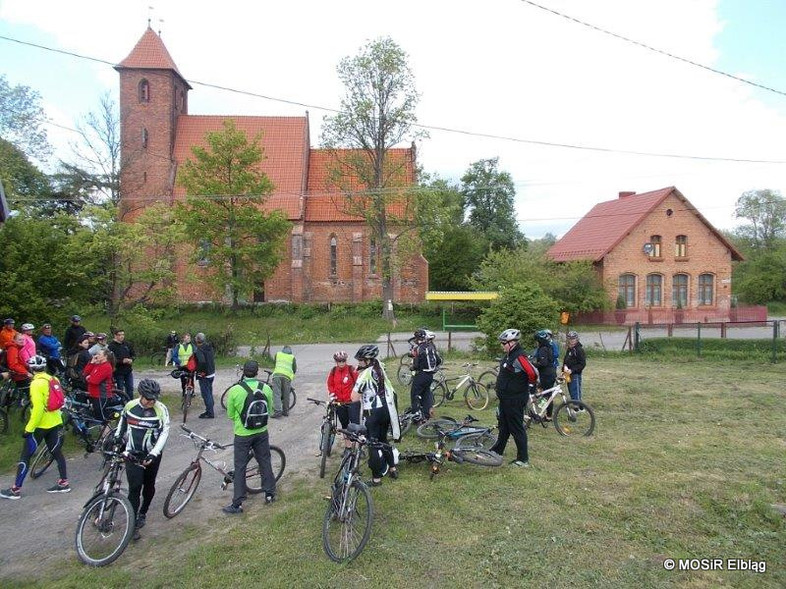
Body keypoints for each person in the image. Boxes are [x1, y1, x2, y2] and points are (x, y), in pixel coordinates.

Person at [0, 355, 71, 499]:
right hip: (55, 422)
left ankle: (15, 490)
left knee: (25, 456)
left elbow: (38, 408)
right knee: (57, 452)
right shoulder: (53, 379)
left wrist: (29, 428)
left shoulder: (36, 383)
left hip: (40, 426)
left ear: (31, 368)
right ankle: (64, 483)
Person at [114, 379, 170, 538]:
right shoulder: (130, 406)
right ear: (140, 395)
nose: (152, 401)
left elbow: (165, 432)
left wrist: (154, 453)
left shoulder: (161, 410)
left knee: (149, 486)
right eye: (148, 398)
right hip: (133, 453)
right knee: (135, 488)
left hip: (152, 454)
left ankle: (143, 512)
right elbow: (122, 423)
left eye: (154, 398)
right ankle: (132, 526)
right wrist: (118, 438)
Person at [223, 360, 276, 513]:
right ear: (257, 372)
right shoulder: (265, 388)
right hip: (261, 432)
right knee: (265, 461)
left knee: (240, 467)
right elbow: (270, 411)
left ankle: (238, 503)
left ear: (243, 372)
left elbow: (230, 415)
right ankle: (269, 494)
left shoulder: (235, 390)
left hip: (242, 434)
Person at [488, 329, 538, 468]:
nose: (502, 345)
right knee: (504, 426)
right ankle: (498, 450)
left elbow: (533, 372)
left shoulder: (519, 356)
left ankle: (523, 459)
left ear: (512, 343)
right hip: (506, 398)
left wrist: (531, 387)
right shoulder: (510, 355)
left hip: (515, 399)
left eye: (504, 343)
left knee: (517, 428)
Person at [350, 344, 399, 486]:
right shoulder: (379, 367)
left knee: (372, 444)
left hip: (373, 413)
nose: (358, 362)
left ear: (367, 360)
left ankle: (376, 479)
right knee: (384, 440)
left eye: (360, 360)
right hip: (386, 410)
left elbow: (354, 397)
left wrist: (359, 377)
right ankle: (392, 468)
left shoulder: (365, 375)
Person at [326, 351, 360, 452]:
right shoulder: (333, 371)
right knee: (344, 426)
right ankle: (348, 447)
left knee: (355, 426)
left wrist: (356, 396)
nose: (341, 363)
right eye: (339, 361)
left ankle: (357, 448)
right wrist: (332, 395)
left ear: (346, 360)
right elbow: (330, 384)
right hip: (340, 403)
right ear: (336, 361)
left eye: (343, 361)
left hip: (352, 402)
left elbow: (358, 383)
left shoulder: (351, 369)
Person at [408, 328, 441, 422]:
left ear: (417, 338)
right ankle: (426, 416)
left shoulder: (419, 348)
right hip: (430, 375)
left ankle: (416, 417)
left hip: (421, 375)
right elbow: (438, 360)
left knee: (415, 394)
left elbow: (416, 365)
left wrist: (412, 368)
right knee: (426, 394)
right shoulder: (430, 346)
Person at [83, 348, 117, 419]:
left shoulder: (106, 366)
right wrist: (92, 362)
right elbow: (85, 373)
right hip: (94, 394)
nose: (96, 356)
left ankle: (107, 429)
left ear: (105, 357)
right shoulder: (97, 365)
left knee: (102, 418)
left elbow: (95, 381)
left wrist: (89, 378)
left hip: (102, 396)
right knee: (97, 415)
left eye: (99, 354)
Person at [533, 329, 557, 420]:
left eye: (537, 341)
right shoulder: (548, 347)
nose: (537, 343)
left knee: (547, 394)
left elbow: (543, 363)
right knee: (545, 393)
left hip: (547, 374)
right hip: (550, 372)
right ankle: (544, 411)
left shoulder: (543, 349)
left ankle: (548, 415)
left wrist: (533, 364)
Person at [108, 329, 135, 401]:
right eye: (119, 335)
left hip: (128, 370)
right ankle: (121, 403)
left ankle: (130, 402)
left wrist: (131, 359)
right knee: (120, 389)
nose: (121, 336)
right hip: (118, 371)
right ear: (115, 336)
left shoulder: (127, 344)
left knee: (130, 388)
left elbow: (133, 354)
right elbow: (110, 359)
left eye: (123, 335)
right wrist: (121, 361)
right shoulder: (111, 346)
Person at [193, 332, 216, 419]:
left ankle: (210, 413)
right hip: (211, 372)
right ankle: (210, 408)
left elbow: (202, 361)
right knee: (209, 391)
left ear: (197, 340)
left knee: (206, 394)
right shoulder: (209, 347)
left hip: (205, 374)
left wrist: (199, 371)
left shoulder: (199, 350)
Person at [271, 345, 297, 418]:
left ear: (283, 350)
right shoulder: (292, 357)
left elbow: (275, 364)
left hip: (277, 375)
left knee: (277, 393)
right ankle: (286, 411)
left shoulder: (278, 354)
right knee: (286, 394)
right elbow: (294, 368)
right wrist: (291, 373)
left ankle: (278, 411)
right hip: (287, 377)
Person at [562, 330, 586, 403]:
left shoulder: (579, 350)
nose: (571, 340)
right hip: (567, 374)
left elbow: (582, 364)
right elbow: (566, 360)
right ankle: (576, 406)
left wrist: (572, 370)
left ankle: (578, 407)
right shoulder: (570, 349)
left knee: (575, 391)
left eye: (573, 338)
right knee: (571, 390)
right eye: (570, 339)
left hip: (575, 374)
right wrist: (564, 367)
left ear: (577, 339)